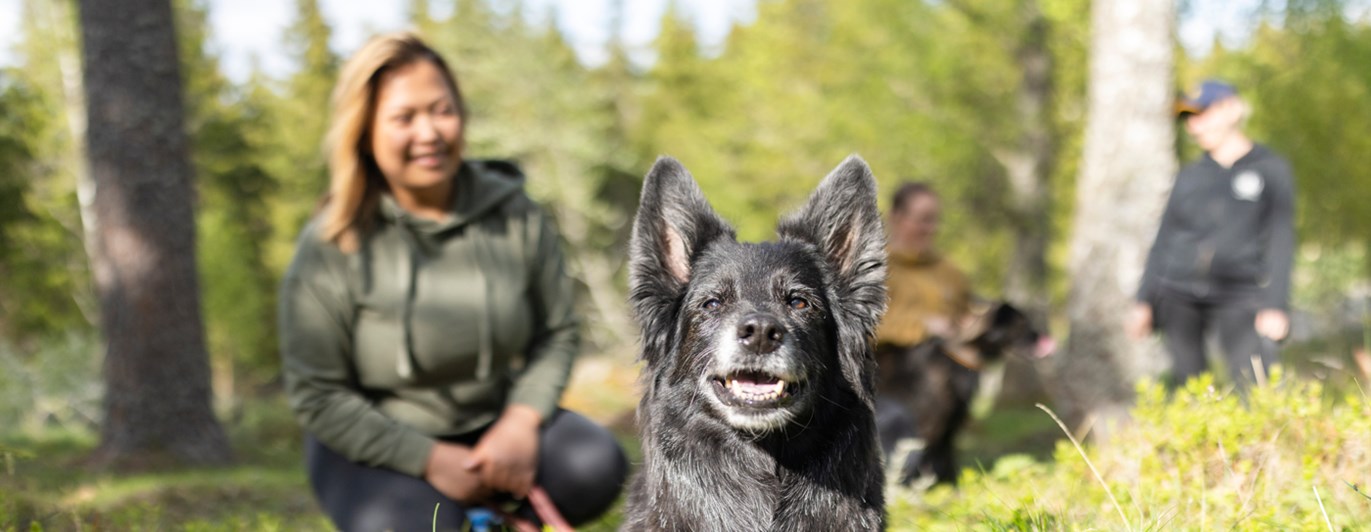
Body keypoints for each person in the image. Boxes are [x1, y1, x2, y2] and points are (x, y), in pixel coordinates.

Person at [278, 32, 626, 531]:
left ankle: (502, 518)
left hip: (494, 423)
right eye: (403, 118)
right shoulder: (333, 242)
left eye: (442, 110)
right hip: (376, 443)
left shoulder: (514, 213)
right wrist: (430, 460)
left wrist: (520, 422)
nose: (429, 133)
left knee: (596, 466)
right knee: (418, 525)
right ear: (364, 132)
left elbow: (556, 332)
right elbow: (318, 394)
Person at [1128, 79, 1296, 389]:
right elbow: (1164, 238)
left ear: (1231, 109)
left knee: (1256, 385)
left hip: (1240, 294)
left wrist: (1276, 304)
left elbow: (1281, 240)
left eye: (1202, 114)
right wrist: (1144, 299)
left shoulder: (1270, 169)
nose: (1194, 127)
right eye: (1188, 119)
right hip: (1178, 294)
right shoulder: (1190, 176)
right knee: (1189, 389)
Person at [872, 182, 972, 455]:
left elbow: (965, 317)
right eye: (923, 220)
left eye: (934, 221)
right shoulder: (873, 268)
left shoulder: (950, 272)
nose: (930, 228)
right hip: (889, 381)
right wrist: (923, 326)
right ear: (896, 217)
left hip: (950, 389)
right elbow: (862, 327)